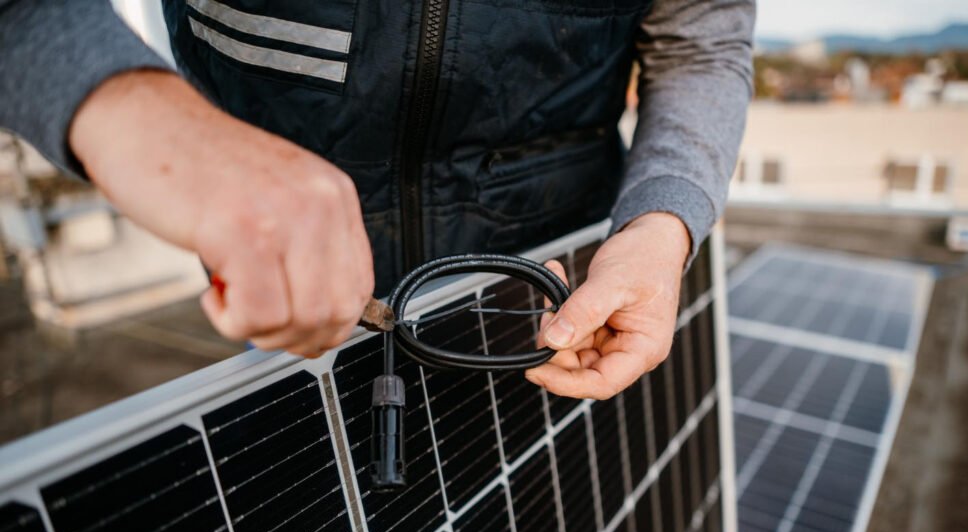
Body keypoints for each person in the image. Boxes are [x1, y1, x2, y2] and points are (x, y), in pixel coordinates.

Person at [0, 0, 753, 399]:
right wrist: (135, 112)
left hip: (559, 303)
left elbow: (702, 37)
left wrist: (663, 221)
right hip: (294, 296)